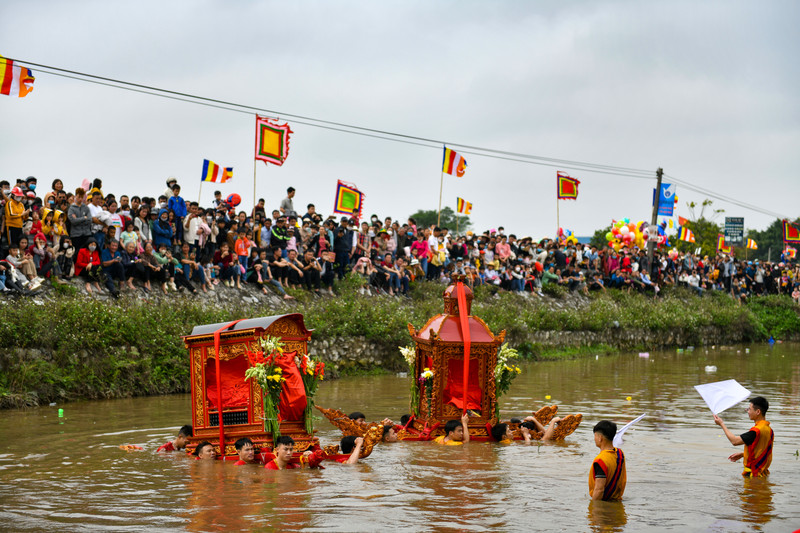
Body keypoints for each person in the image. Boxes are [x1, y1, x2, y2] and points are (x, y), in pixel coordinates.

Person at [714, 396, 774, 478]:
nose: (748, 411)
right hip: (763, 474)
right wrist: (744, 454)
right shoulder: (769, 429)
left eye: (749, 409)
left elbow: (734, 441)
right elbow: (761, 450)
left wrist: (721, 424)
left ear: (758, 412)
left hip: (753, 476)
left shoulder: (755, 431)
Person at [589, 420, 626, 501]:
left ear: (600, 438)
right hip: (617, 503)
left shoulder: (600, 461)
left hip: (604, 508)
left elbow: (599, 490)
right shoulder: (620, 453)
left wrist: (593, 509)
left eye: (595, 436)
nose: (594, 439)